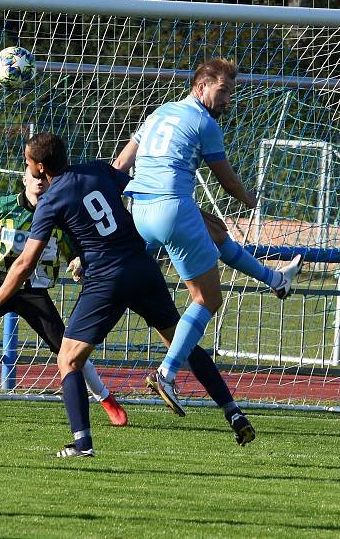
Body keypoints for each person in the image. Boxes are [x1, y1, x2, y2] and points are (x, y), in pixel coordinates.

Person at [0, 133, 257, 458]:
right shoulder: (98, 170)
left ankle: (82, 442)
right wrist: (196, 215)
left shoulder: (50, 200)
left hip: (106, 278)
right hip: (142, 268)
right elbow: (149, 194)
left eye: (27, 161)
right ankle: (233, 411)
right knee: (181, 344)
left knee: (68, 359)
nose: (27, 165)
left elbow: (23, 264)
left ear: (40, 166)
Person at [114, 58, 303, 416]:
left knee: (215, 232)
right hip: (172, 210)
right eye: (223, 90)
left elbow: (120, 164)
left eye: (230, 91)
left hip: (140, 208)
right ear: (202, 87)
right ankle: (167, 373)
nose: (228, 98)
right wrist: (250, 198)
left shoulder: (159, 112)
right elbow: (228, 182)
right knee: (206, 300)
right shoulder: (204, 122)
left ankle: (276, 280)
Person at [0, 166, 127, 426]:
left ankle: (105, 398)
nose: (38, 181)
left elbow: (78, 247)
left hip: (33, 290)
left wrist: (79, 260)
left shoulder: (61, 212)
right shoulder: (1, 207)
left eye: (43, 177)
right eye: (33, 176)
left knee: (67, 347)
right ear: (24, 179)